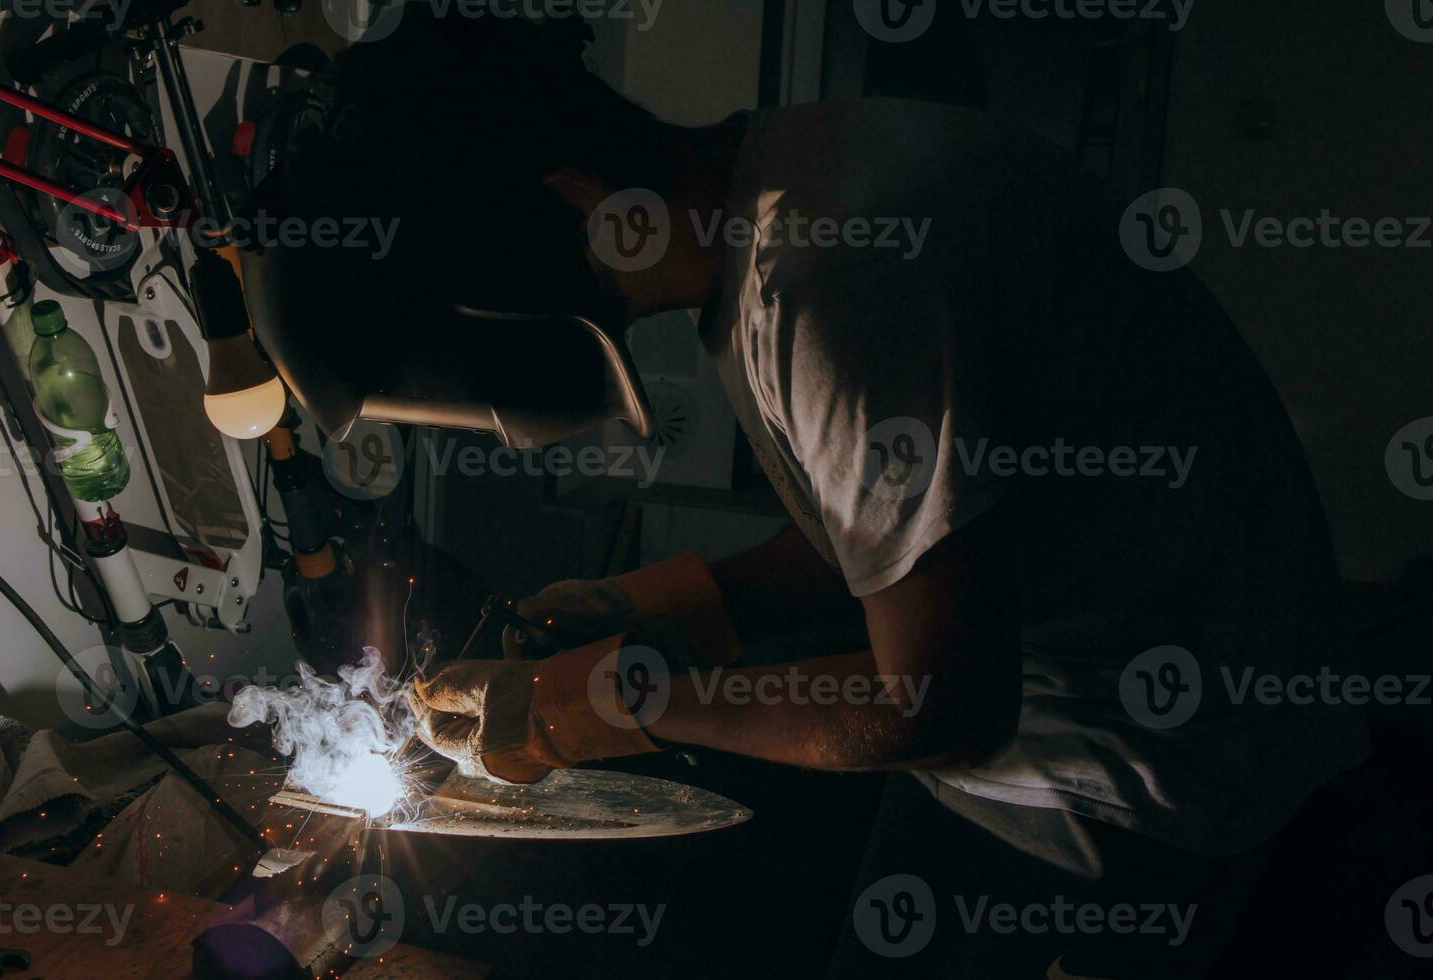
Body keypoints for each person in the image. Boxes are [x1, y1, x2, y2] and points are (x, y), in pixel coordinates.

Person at [261, 7, 1367, 976]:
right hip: (1059, 706)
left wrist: (597, 703)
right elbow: (906, 543)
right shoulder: (791, 182)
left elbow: (939, 704)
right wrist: (661, 602)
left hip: (1152, 781)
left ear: (574, 204)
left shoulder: (826, 285)